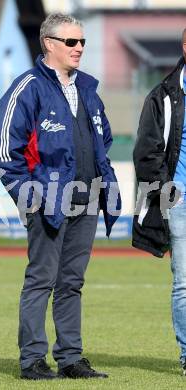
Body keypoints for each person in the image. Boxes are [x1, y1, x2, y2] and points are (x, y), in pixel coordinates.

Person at [0, 13, 121, 380]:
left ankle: (70, 359)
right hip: (47, 202)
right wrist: (28, 194)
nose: (79, 47)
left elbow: (103, 142)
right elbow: (5, 151)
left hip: (87, 198)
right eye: (71, 42)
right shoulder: (27, 87)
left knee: (72, 283)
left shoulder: (88, 90)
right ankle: (32, 359)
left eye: (82, 42)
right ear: (49, 43)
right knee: (41, 280)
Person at [133, 29, 186, 375]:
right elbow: (146, 152)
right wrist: (169, 192)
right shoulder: (163, 95)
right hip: (181, 200)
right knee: (184, 283)